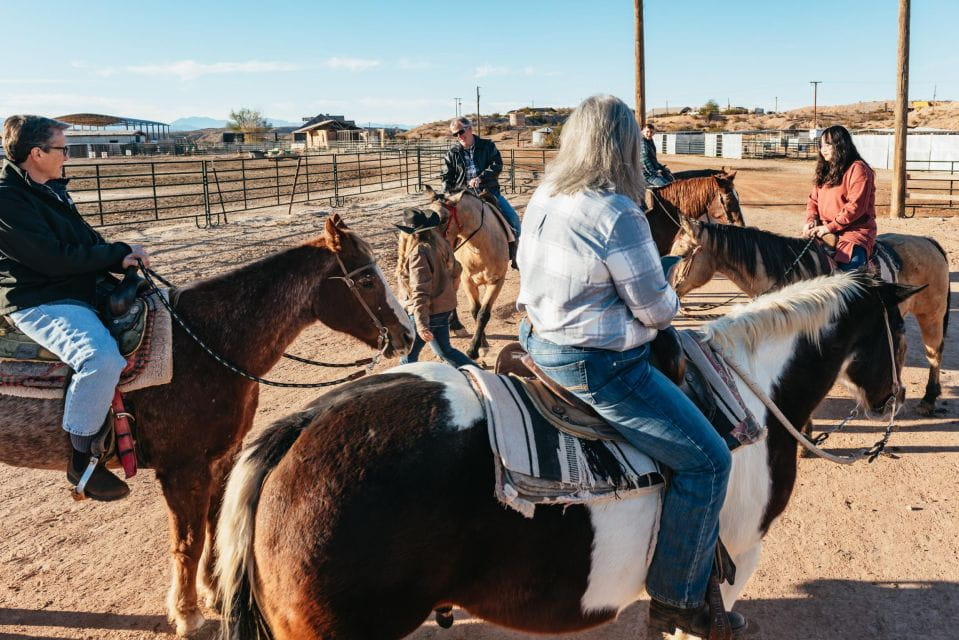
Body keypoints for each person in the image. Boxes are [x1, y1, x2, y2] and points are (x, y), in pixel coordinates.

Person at [516, 95, 745, 637]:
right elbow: (656, 310)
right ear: (622, 147)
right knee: (709, 462)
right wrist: (671, 291)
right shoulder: (619, 212)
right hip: (596, 365)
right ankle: (676, 600)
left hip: (535, 335)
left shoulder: (546, 192)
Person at [0, 115, 151, 501]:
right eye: (62, 149)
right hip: (40, 297)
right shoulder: (7, 198)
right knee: (99, 358)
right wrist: (115, 255)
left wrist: (119, 257)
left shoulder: (48, 189)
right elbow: (50, 259)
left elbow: (82, 241)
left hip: (74, 285)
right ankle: (82, 461)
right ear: (37, 153)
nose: (67, 156)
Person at [395, 207, 474, 368]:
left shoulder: (418, 253)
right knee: (445, 352)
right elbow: (457, 270)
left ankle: (408, 387)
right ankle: (480, 374)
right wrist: (446, 293)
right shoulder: (440, 243)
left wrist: (422, 324)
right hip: (443, 309)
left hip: (427, 312)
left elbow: (420, 290)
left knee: (408, 355)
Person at [441, 117, 521, 268]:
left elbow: (496, 165)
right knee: (444, 226)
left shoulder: (487, 146)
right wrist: (446, 196)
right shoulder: (452, 153)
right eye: (455, 134)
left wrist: (481, 178)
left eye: (461, 132)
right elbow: (446, 177)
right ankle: (446, 261)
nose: (459, 136)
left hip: (487, 192)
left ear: (470, 129)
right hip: (462, 198)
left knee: (514, 221)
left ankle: (514, 254)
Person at [803, 124, 877, 271]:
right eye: (821, 145)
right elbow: (813, 200)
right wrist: (811, 220)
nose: (823, 149)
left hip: (853, 232)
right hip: (822, 229)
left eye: (828, 144)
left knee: (850, 280)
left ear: (840, 145)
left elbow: (855, 206)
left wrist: (829, 227)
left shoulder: (858, 169)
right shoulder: (825, 171)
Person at [640, 122, 675, 187]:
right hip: (646, 174)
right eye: (647, 131)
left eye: (651, 132)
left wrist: (661, 167)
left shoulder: (649, 141)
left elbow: (653, 159)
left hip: (652, 170)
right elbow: (645, 160)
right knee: (665, 186)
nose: (649, 134)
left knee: (670, 179)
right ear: (642, 132)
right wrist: (655, 173)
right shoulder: (642, 143)